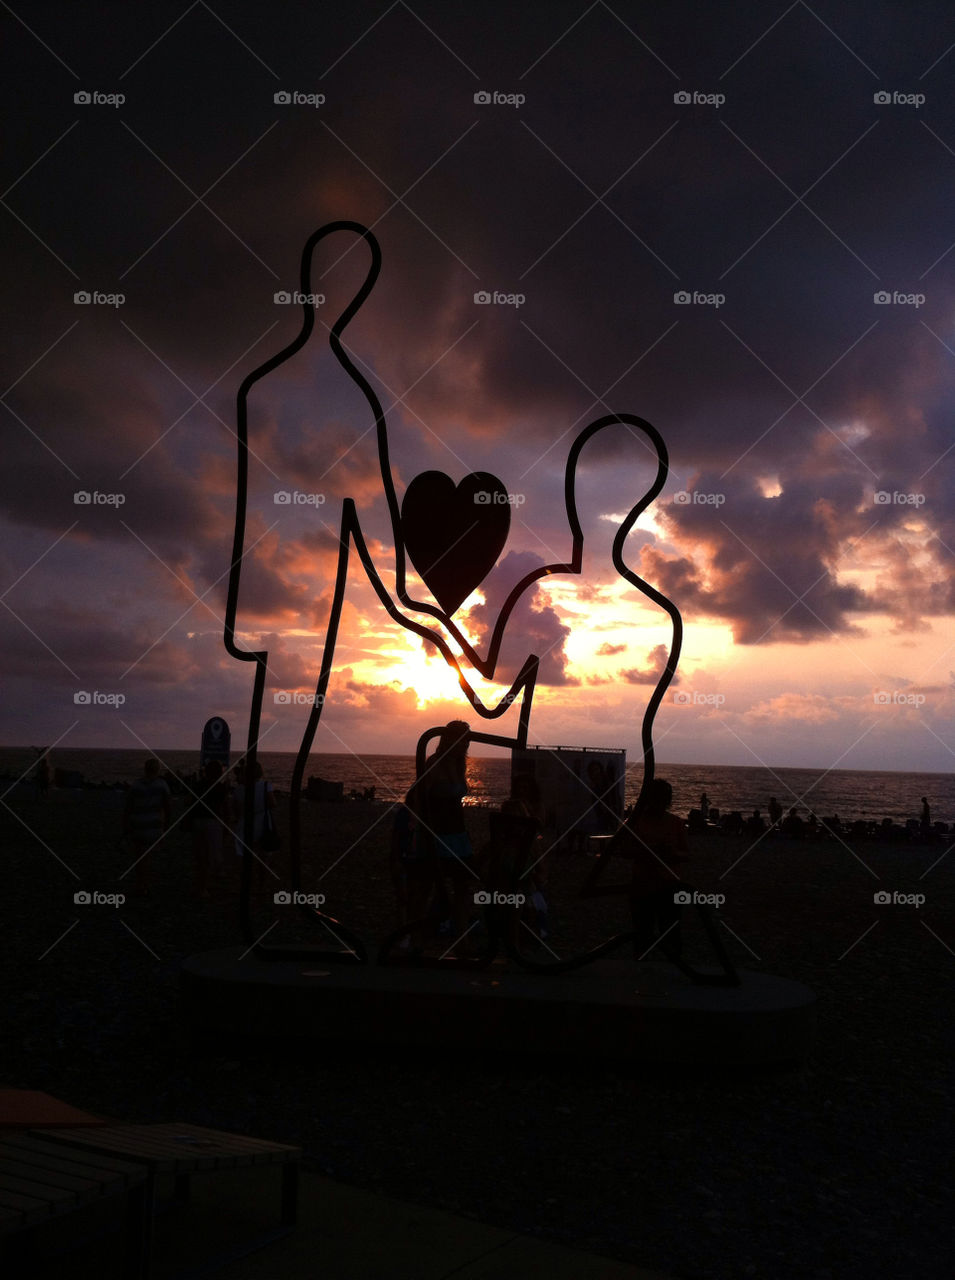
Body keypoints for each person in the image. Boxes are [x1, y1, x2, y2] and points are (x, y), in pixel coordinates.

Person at [419, 721, 476, 952]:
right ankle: (418, 938)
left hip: (457, 831)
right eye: (461, 739)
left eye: (467, 740)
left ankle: (462, 939)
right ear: (449, 739)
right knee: (429, 885)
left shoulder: (459, 763)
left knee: (463, 886)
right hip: (438, 831)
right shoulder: (435, 762)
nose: (465, 744)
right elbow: (419, 795)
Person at [625, 778, 689, 963]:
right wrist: (647, 851)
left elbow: (686, 854)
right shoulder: (635, 822)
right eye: (656, 798)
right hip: (642, 885)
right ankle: (642, 965)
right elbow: (624, 850)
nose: (660, 803)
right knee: (642, 930)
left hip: (669, 885)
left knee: (670, 930)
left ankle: (674, 966)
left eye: (663, 799)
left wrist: (671, 853)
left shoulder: (676, 823)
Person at [389, 780, 434, 947]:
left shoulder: (428, 815)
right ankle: (403, 933)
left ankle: (414, 932)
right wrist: (396, 859)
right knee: (403, 897)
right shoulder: (404, 814)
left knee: (418, 897)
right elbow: (396, 838)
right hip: (404, 858)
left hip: (421, 860)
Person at [123, 758, 171, 893]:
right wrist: (166, 827)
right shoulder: (162, 785)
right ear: (157, 770)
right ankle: (145, 883)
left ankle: (140, 882)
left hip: (137, 824)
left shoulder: (136, 785)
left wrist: (125, 825)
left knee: (139, 855)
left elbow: (128, 808)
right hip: (154, 825)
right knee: (148, 856)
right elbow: (168, 808)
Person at [232, 759, 276, 889]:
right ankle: (261, 883)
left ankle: (247, 882)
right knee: (263, 856)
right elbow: (273, 803)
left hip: (244, 823)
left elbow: (236, 810)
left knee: (245, 855)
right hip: (262, 823)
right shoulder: (265, 786)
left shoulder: (239, 789)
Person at [191, 759, 229, 898]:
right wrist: (227, 824)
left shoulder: (198, 785)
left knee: (200, 854)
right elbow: (225, 808)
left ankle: (200, 883)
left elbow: (190, 802)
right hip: (213, 822)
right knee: (209, 854)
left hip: (198, 821)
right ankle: (203, 887)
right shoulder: (220, 787)